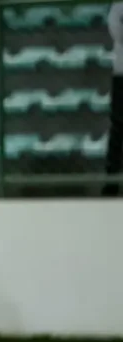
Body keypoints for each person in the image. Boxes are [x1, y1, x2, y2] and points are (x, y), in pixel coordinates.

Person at [103, 1, 123, 196]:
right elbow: (117, 32)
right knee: (117, 129)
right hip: (121, 74)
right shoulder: (118, 6)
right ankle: (111, 184)